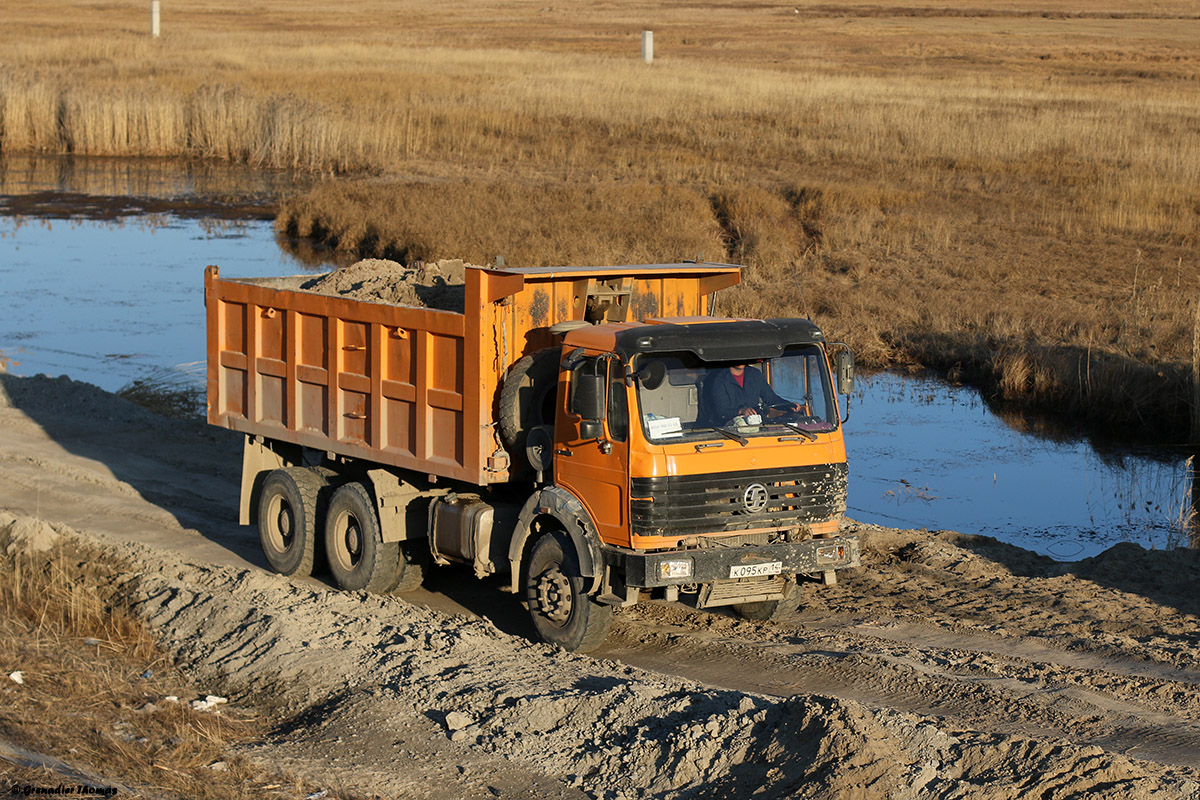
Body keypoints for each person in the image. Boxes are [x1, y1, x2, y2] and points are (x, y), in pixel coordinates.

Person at [705, 362, 800, 425]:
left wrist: (788, 405)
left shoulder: (755, 374)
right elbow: (721, 411)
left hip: (756, 425)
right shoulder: (719, 380)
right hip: (730, 430)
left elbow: (770, 398)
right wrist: (741, 411)